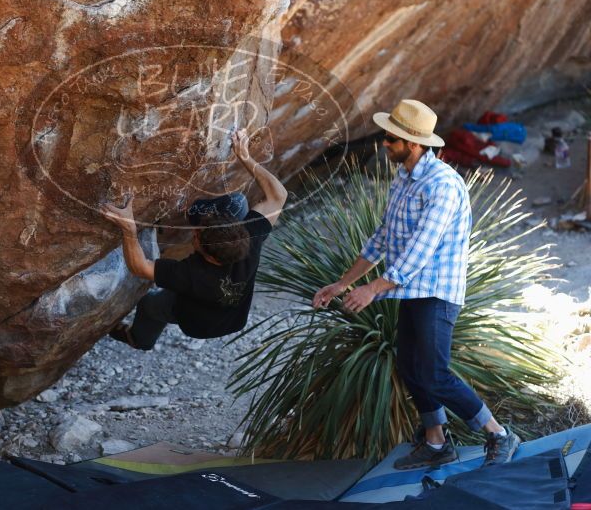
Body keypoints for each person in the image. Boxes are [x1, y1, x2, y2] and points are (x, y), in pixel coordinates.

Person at [311, 99, 520, 470]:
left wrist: (371, 289)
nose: (384, 145)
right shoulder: (404, 177)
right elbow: (382, 238)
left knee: (434, 373)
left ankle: (499, 434)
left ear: (414, 144)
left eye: (391, 140)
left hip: (437, 292)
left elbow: (420, 250)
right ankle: (437, 442)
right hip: (410, 289)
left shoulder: (442, 186)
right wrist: (343, 283)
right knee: (410, 366)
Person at [103, 129, 287, 350]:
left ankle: (139, 339)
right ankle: (194, 209)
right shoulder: (250, 239)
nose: (194, 233)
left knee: (150, 304)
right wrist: (244, 155)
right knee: (238, 204)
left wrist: (129, 230)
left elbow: (140, 267)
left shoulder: (190, 275)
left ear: (207, 254)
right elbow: (278, 196)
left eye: (197, 234)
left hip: (197, 322)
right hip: (235, 317)